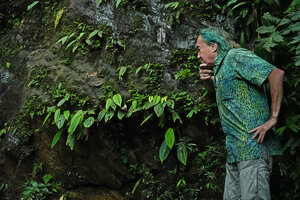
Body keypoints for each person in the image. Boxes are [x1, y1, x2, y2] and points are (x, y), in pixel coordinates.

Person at [197, 27, 284, 200]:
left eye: (199, 49)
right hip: (235, 151)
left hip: (253, 149)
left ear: (214, 46)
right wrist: (208, 81)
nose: (198, 55)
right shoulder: (221, 69)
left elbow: (276, 73)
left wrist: (273, 118)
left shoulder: (236, 56)